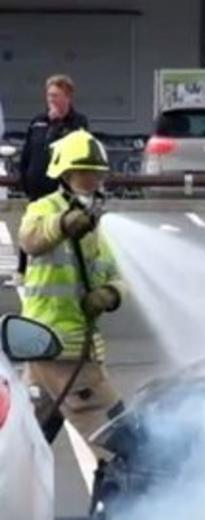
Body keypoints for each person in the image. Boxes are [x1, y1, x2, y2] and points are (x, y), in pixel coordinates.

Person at [19, 129, 125, 471]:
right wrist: (64, 223)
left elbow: (114, 274)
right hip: (63, 352)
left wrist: (110, 294)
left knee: (19, 446)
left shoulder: (94, 224)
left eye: (97, 172)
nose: (93, 179)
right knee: (123, 448)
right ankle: (122, 517)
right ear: (65, 174)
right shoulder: (43, 209)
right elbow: (30, 239)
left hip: (47, 352)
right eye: (85, 171)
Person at [17, 75, 89, 286]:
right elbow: (28, 152)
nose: (51, 100)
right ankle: (23, 270)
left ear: (68, 97)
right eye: (49, 95)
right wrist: (24, 179)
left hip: (60, 189)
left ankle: (68, 270)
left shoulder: (78, 123)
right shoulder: (38, 121)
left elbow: (77, 151)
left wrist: (57, 124)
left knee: (59, 228)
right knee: (30, 227)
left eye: (56, 95)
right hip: (36, 188)